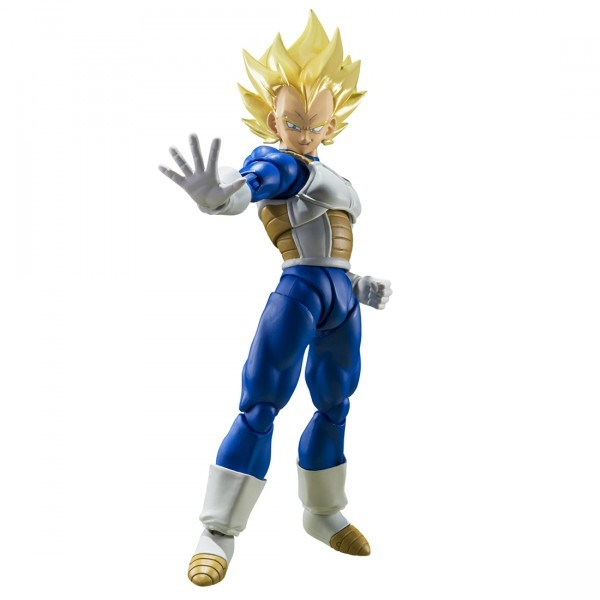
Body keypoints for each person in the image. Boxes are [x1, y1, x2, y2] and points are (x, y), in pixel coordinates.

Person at [159, 11, 392, 587]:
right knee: (261, 403)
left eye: (314, 125)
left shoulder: (331, 173)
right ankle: (217, 532)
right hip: (299, 295)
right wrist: (221, 197)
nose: (304, 134)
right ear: (274, 120)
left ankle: (322, 511)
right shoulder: (278, 161)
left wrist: (358, 284)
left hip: (340, 298)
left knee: (335, 403)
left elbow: (330, 247)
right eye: (293, 123)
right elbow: (252, 186)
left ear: (332, 122)